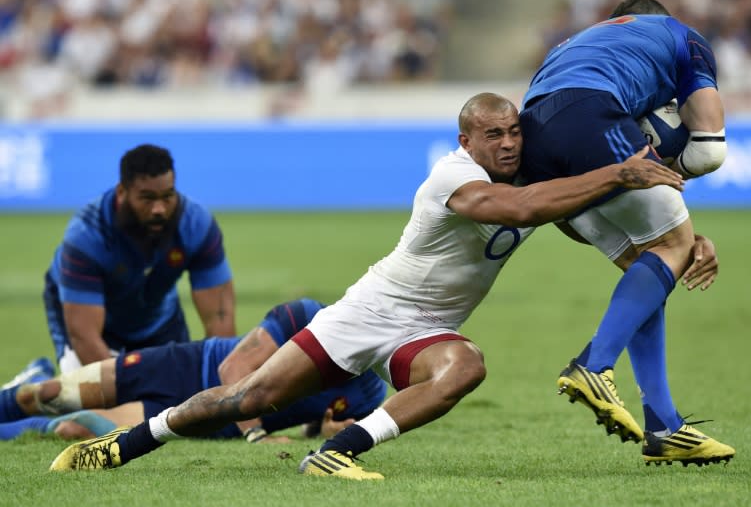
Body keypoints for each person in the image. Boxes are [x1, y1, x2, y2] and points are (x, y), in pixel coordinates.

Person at [49, 92, 689, 479]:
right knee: (246, 398)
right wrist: (620, 173)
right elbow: (522, 212)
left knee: (465, 367)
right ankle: (123, 445)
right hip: (370, 309)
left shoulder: (530, 177)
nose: (508, 143)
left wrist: (685, 245)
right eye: (493, 134)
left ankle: (338, 453)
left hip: (429, 329)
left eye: (515, 131)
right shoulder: (452, 176)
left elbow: (578, 219)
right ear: (466, 139)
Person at [517, 0, 733, 466]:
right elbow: (711, 149)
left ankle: (664, 427)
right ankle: (593, 365)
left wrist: (675, 231)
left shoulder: (575, 43)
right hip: (590, 114)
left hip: (537, 140)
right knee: (670, 249)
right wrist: (679, 206)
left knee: (648, 270)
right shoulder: (681, 35)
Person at [0, 298, 386, 442]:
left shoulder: (369, 392)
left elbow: (310, 423)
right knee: (47, 396)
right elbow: (233, 366)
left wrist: (323, 429)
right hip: (182, 367)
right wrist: (255, 437)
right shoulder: (306, 316)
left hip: (208, 420)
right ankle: (31, 382)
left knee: (76, 427)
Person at [43, 144, 236, 373]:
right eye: (147, 198)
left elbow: (220, 319)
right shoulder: (87, 237)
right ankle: (35, 380)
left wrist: (220, 384)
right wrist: (124, 390)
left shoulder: (196, 225)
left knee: (178, 398)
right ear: (122, 192)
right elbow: (86, 338)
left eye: (167, 197)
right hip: (92, 322)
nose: (159, 209)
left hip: (157, 317)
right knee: (93, 402)